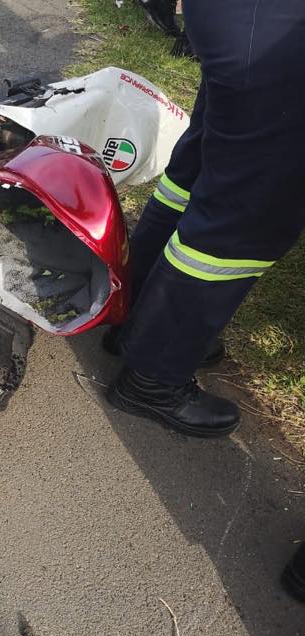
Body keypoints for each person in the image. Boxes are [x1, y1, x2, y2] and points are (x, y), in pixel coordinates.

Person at [105, 0, 305, 438]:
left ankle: (136, 316)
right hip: (275, 29)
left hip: (244, 21)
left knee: (200, 172)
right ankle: (154, 373)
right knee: (249, 209)